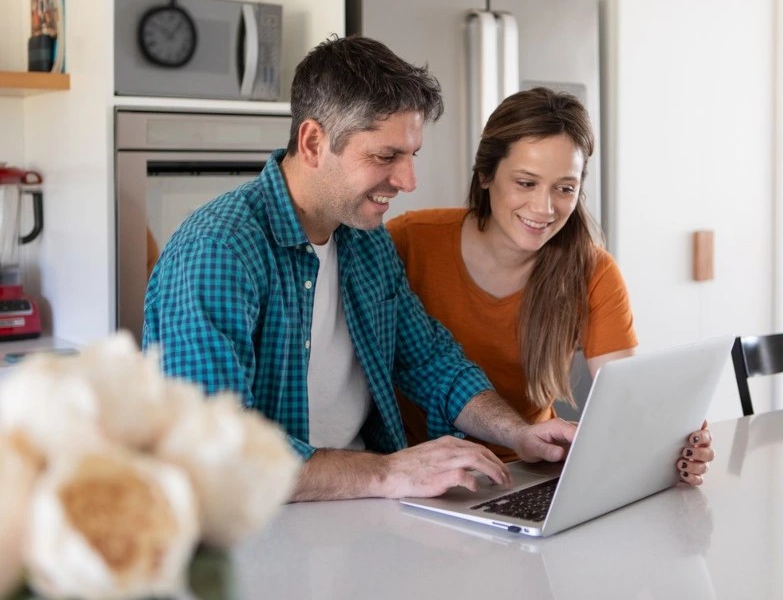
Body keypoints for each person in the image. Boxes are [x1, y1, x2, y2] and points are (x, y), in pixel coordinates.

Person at [143, 36, 578, 502]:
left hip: (361, 512)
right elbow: (212, 450)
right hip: (267, 523)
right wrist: (387, 472)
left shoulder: (365, 240)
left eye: (412, 156)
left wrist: (517, 433)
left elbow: (429, 361)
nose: (408, 181)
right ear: (313, 142)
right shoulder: (218, 250)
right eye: (385, 157)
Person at [387, 88, 714, 485]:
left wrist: (672, 443)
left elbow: (626, 398)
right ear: (486, 174)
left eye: (564, 188)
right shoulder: (408, 241)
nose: (544, 209)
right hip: (417, 472)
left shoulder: (592, 272)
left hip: (528, 470)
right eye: (526, 183)